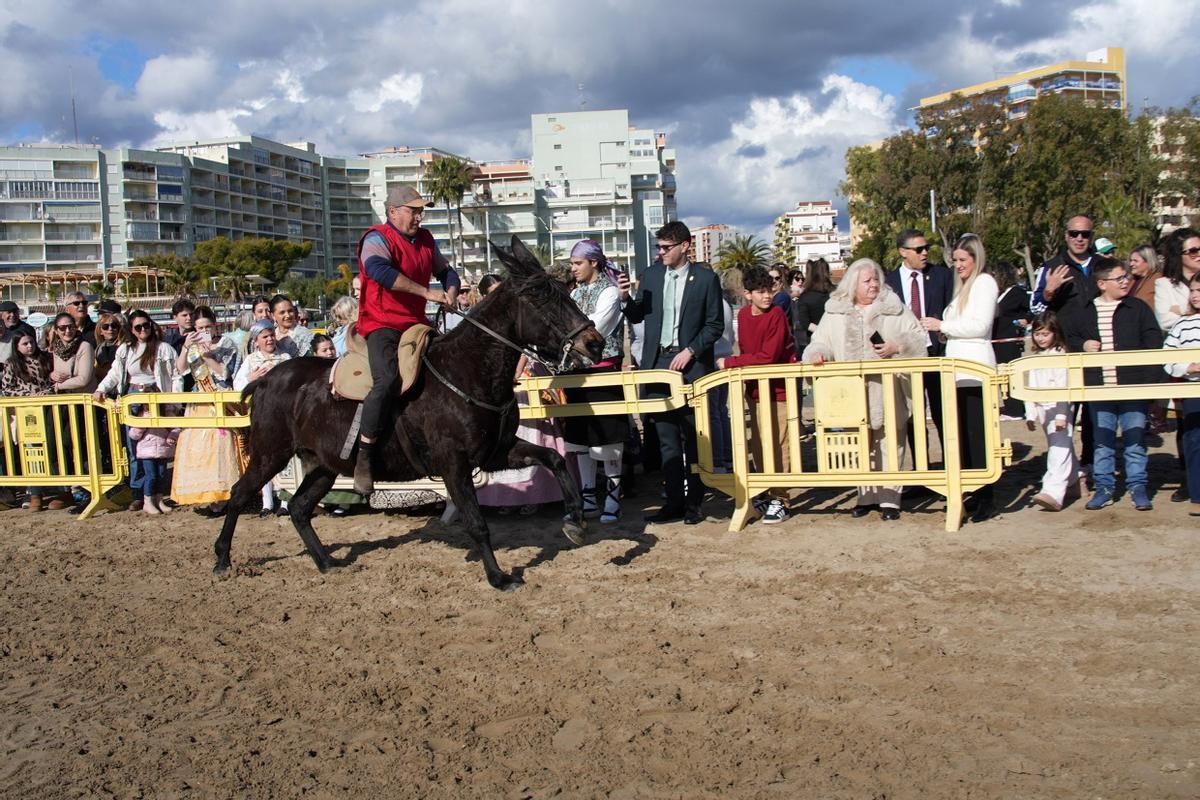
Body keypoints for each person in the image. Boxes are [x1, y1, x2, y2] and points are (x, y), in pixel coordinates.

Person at [352, 184, 460, 495]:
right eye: (413, 211)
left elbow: (447, 272)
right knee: (386, 381)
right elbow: (379, 272)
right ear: (392, 212)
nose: (419, 216)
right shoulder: (376, 238)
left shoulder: (425, 239)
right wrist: (428, 292)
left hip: (416, 324)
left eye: (420, 210)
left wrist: (450, 290)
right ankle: (365, 456)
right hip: (381, 323)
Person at [618, 220, 724, 525]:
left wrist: (690, 350)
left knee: (693, 436)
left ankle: (695, 503)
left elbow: (714, 325)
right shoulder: (650, 276)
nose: (661, 252)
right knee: (665, 438)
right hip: (657, 363)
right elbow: (638, 315)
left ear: (685, 246)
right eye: (659, 247)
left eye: (666, 247)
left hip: (691, 365)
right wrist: (625, 298)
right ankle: (674, 502)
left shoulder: (705, 279)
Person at [805, 258, 927, 520]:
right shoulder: (835, 311)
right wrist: (817, 355)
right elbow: (821, 341)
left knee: (890, 441)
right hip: (850, 392)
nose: (873, 285)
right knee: (860, 444)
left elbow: (918, 337)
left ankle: (890, 499)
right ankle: (866, 495)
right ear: (853, 284)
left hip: (888, 388)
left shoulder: (894, 308)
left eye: (876, 279)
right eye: (867, 280)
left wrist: (898, 346)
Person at [1062, 261, 1163, 511]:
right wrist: (1083, 345)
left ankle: (1138, 486)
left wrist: (1149, 384)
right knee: (1102, 441)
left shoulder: (1138, 308)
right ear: (1101, 284)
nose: (1125, 281)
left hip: (1132, 387)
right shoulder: (1084, 311)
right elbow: (1069, 336)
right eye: (1118, 278)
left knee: (1135, 440)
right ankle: (1104, 487)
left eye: (1126, 277)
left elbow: (1153, 342)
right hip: (1099, 387)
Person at [920, 233, 1000, 522]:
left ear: (976, 259)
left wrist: (943, 325)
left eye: (962, 260)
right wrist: (946, 328)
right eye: (955, 261)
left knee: (978, 437)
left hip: (975, 370)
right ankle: (974, 493)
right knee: (964, 437)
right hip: (958, 371)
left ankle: (986, 496)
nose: (957, 265)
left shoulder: (984, 283)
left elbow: (980, 325)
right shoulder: (962, 288)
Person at [718, 266, 798, 524]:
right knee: (759, 443)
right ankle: (765, 489)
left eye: (770, 290)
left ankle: (781, 498)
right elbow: (750, 350)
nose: (767, 296)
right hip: (754, 389)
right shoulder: (742, 314)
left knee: (779, 443)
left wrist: (731, 362)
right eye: (761, 292)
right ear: (747, 293)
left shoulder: (776, 315)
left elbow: (768, 357)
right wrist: (742, 364)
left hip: (778, 390)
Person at [563, 239, 629, 522]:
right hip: (576, 372)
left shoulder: (611, 292)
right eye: (572, 263)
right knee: (580, 439)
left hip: (603, 372)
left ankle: (613, 498)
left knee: (608, 438)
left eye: (578, 263)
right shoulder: (575, 294)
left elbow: (594, 329)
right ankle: (589, 496)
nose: (573, 268)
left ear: (593, 262)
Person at [93, 310, 180, 511]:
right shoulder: (125, 350)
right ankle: (138, 493)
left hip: (158, 397)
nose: (143, 330)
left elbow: (175, 375)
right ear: (131, 330)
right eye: (138, 327)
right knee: (135, 449)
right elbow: (115, 373)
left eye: (146, 325)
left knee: (160, 447)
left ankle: (156, 495)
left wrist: (174, 400)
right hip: (133, 397)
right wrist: (101, 389)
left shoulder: (164, 348)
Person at [885, 229, 954, 465]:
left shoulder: (943, 276)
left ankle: (950, 467)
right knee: (913, 416)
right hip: (905, 358)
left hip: (937, 354)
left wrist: (943, 329)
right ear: (903, 252)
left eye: (927, 248)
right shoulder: (888, 282)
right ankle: (921, 469)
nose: (925, 253)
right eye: (918, 249)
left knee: (943, 413)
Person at [170, 306, 242, 516]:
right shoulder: (190, 345)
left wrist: (208, 355)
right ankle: (207, 495)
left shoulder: (226, 344)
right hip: (199, 401)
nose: (204, 331)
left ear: (215, 324)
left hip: (219, 399)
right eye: (200, 327)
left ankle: (225, 497)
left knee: (220, 449)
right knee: (200, 451)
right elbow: (181, 369)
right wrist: (186, 347)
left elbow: (224, 373)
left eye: (208, 326)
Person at [1156, 229, 1200, 498]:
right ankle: (1190, 479)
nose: (1198, 255)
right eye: (1193, 251)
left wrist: (1181, 312)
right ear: (1179, 255)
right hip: (1185, 369)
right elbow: (1165, 320)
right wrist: (1187, 314)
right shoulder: (1165, 285)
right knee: (1188, 427)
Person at [233, 320, 293, 515]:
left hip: (285, 414)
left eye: (271, 335)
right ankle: (267, 502)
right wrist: (251, 379)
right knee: (264, 458)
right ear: (256, 340)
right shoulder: (251, 360)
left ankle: (285, 501)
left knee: (286, 458)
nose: (269, 339)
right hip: (263, 414)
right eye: (264, 337)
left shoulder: (285, 357)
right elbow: (238, 385)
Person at [1024, 313, 1081, 511]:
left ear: (1055, 334)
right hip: (1042, 409)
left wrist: (1061, 415)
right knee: (1060, 444)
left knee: (1058, 447)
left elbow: (1064, 387)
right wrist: (1030, 413)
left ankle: (1053, 492)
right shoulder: (1035, 358)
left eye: (1045, 334)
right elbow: (1029, 387)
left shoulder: (1060, 356)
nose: (1040, 338)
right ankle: (1075, 480)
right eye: (1037, 334)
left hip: (1058, 408)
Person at [1, 332, 64, 510]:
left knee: (53, 448)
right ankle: (35, 493)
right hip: (27, 413)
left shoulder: (46, 358)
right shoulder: (12, 364)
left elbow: (53, 382)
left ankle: (61, 491)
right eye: (25, 344)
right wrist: (28, 396)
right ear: (17, 347)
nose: (30, 346)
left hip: (48, 409)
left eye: (31, 342)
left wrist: (46, 391)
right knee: (31, 452)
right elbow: (6, 389)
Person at [1163, 272, 1200, 513]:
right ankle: (1198, 494)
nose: (1196, 296)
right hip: (1192, 390)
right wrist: (1186, 367)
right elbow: (1166, 356)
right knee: (1194, 440)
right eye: (1194, 291)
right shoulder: (1183, 324)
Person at [1030, 213, 1116, 316]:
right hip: (1066, 331)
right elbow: (1035, 309)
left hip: (1101, 329)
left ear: (1091, 236)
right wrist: (1048, 292)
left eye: (1085, 234)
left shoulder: (1105, 265)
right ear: (1066, 236)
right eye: (1074, 234)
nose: (1079, 239)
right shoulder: (1051, 267)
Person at [991, 260, 1030, 420]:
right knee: (1002, 374)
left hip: (1009, 339)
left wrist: (1025, 320)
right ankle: (1009, 406)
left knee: (1011, 374)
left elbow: (1031, 310)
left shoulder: (1016, 292)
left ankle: (1016, 409)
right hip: (996, 340)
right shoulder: (996, 294)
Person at [127, 405, 179, 515]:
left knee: (161, 475)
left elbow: (176, 427)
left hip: (163, 449)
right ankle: (148, 502)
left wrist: (172, 437)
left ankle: (159, 500)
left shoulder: (166, 412)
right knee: (151, 476)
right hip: (147, 451)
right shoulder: (142, 416)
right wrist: (141, 426)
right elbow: (133, 435)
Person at [46, 312, 96, 394]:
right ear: (56, 330)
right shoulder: (55, 349)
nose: (68, 331)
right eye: (62, 328)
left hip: (83, 398)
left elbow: (83, 379)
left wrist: (58, 386)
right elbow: (51, 373)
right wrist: (52, 376)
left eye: (71, 327)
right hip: (64, 398)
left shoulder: (85, 346)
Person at [792, 257, 834, 355]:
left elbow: (804, 323)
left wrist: (821, 332)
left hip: (815, 344)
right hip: (837, 340)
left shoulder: (805, 297)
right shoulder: (836, 293)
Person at [92, 311, 124, 385]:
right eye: (105, 327)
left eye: (114, 326)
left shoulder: (124, 346)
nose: (110, 329)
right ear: (100, 331)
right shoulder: (99, 348)